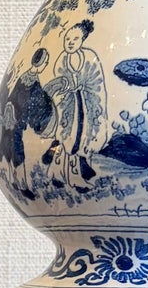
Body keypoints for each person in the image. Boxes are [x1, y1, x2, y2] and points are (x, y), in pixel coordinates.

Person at [43, 21, 103, 187]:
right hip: (68, 105)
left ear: (82, 40)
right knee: (65, 137)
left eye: (75, 39)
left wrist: (83, 88)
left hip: (85, 104)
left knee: (82, 138)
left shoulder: (89, 57)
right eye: (67, 38)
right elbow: (59, 79)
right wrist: (67, 86)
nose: (70, 42)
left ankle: (80, 168)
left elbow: (96, 81)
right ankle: (58, 174)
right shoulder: (63, 58)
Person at [0, 49, 55, 191]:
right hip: (14, 125)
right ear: (39, 62)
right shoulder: (30, 81)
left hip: (15, 125)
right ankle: (20, 183)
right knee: (17, 152)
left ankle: (17, 181)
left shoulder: (27, 78)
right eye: (45, 62)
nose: (46, 64)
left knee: (15, 152)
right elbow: (30, 103)